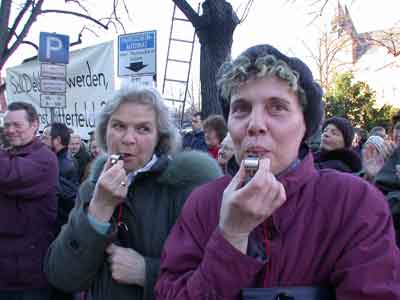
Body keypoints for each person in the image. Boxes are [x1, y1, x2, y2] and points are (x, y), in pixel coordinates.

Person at [155, 44, 400, 300]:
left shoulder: (355, 203)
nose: (255, 125)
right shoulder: (202, 203)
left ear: (305, 125)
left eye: (277, 107)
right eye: (241, 108)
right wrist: (231, 237)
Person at [44, 85, 222, 300]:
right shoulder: (92, 187)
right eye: (118, 126)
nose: (128, 139)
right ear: (104, 131)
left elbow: (214, 280)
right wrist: (99, 207)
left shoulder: (187, 188)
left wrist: (147, 272)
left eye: (143, 129)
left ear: (160, 137)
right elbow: (62, 276)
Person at [0, 102, 58, 300]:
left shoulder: (45, 159)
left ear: (35, 125)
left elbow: (9, 174)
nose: (10, 130)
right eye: (6, 125)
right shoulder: (8, 154)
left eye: (17, 125)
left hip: (29, 275)